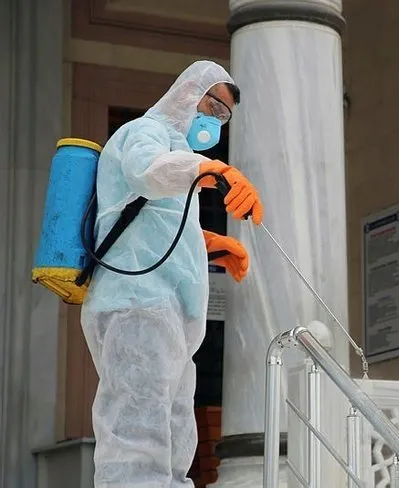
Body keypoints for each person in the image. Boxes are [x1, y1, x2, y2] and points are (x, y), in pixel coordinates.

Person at [80, 60, 262, 487]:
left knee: (175, 428)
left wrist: (213, 244)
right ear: (187, 91)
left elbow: (162, 230)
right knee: (136, 429)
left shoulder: (180, 153)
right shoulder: (145, 134)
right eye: (213, 105)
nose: (215, 120)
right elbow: (149, 172)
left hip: (169, 315)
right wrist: (209, 170)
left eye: (224, 116)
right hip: (135, 303)